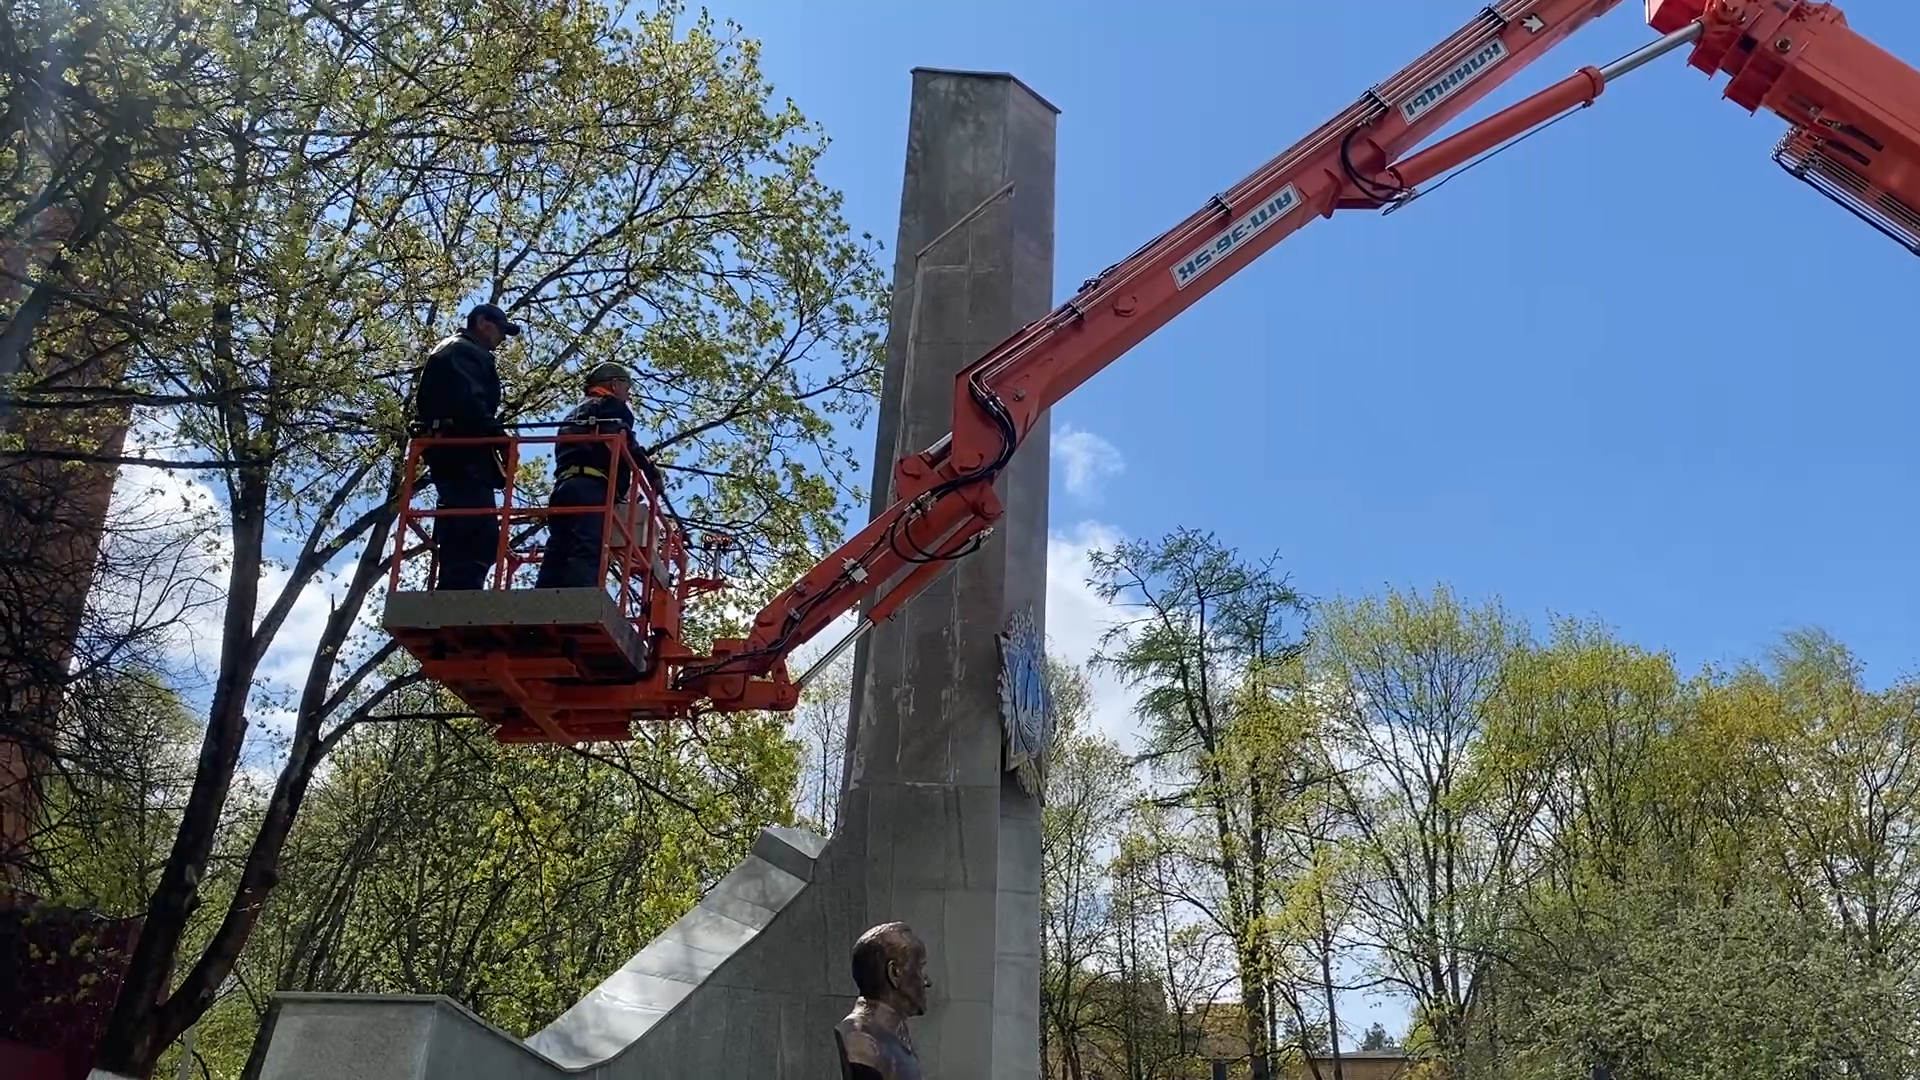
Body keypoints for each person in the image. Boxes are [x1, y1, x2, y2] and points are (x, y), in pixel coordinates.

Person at [413, 303, 518, 590]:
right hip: (463, 452)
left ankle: (457, 590)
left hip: (455, 451)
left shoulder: (457, 351)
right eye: (500, 330)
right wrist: (499, 437)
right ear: (482, 322)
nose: (502, 338)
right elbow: (468, 404)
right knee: (478, 531)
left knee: (463, 526)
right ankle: (459, 595)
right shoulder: (464, 350)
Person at [534, 362, 664, 589]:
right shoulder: (612, 406)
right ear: (614, 384)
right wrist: (650, 472)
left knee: (558, 549)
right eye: (626, 387)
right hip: (592, 488)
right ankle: (576, 607)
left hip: (564, 486)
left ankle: (539, 607)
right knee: (587, 547)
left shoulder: (575, 413)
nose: (628, 395)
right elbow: (622, 439)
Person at [834, 921, 933, 1080]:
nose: (927, 981)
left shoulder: (894, 1031)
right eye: (920, 968)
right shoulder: (862, 1041)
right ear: (894, 973)